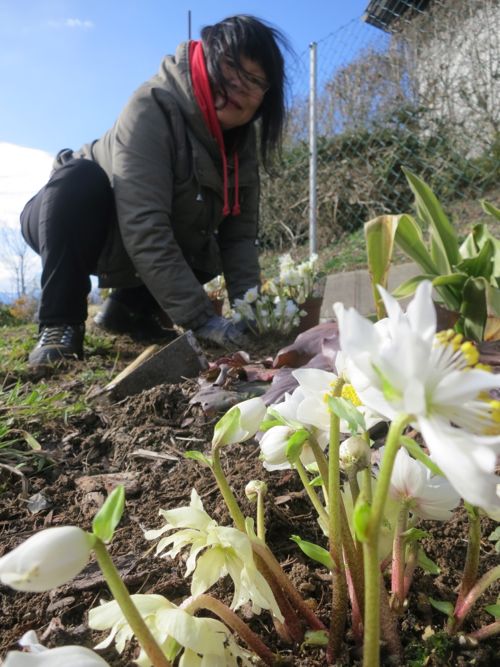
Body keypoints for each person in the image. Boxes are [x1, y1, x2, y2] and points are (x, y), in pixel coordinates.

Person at [20, 15, 288, 367]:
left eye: (254, 81)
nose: (239, 85)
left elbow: (239, 238)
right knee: (80, 180)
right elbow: (143, 224)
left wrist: (252, 317)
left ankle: (128, 312)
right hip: (70, 218)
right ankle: (60, 324)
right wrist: (202, 320)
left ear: (265, 99)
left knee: (204, 241)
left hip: (131, 242)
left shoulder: (242, 147)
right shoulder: (152, 105)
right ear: (208, 58)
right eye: (230, 67)